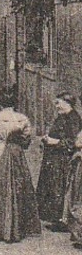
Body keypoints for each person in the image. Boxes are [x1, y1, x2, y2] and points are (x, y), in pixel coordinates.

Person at [0, 107, 42, 242]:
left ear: (0, 102)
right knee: (16, 188)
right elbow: (25, 142)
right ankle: (15, 229)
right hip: (16, 154)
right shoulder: (22, 119)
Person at [38, 94, 82, 227]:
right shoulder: (63, 116)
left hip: (63, 159)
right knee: (53, 186)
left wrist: (53, 141)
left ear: (67, 103)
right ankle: (53, 216)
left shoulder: (73, 119)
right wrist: (47, 138)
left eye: (58, 103)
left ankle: (60, 220)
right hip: (55, 157)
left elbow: (73, 142)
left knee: (60, 187)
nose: (56, 106)